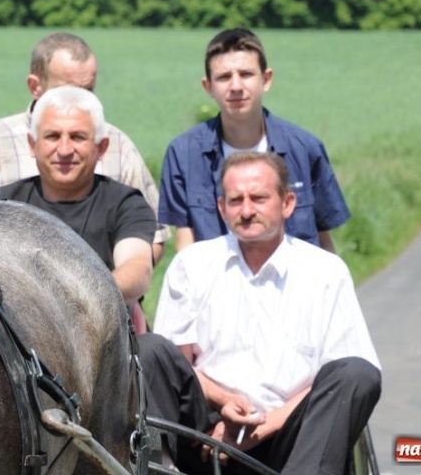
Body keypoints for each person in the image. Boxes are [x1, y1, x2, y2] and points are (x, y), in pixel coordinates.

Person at [140, 152, 381, 475]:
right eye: (236, 200)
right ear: (222, 208)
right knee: (150, 349)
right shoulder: (192, 265)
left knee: (357, 371)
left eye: (259, 198)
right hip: (207, 428)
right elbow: (178, 364)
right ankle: (159, 469)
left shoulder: (325, 271)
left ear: (288, 203)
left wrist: (263, 426)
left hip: (293, 431)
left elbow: (339, 375)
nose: (247, 210)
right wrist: (224, 400)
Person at [0, 32, 170, 263]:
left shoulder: (117, 143)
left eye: (88, 90)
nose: (78, 99)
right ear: (34, 86)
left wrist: (124, 284)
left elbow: (154, 238)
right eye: (67, 90)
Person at [159, 27, 349, 254]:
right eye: (224, 77)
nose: (236, 86)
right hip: (218, 286)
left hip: (292, 286)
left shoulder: (304, 148)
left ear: (266, 79)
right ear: (208, 87)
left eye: (246, 74)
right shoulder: (183, 154)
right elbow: (185, 242)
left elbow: (323, 242)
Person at [0, 86, 155, 312]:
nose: (64, 149)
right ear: (33, 145)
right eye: (52, 136)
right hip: (19, 336)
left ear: (101, 147)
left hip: (106, 333)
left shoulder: (125, 204)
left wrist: (76, 299)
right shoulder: (4, 205)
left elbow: (138, 270)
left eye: (77, 137)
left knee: (156, 348)